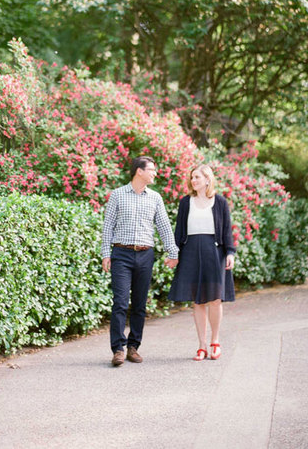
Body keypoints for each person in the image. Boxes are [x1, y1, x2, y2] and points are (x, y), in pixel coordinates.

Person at [100, 155, 179, 367]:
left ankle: (133, 347)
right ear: (139, 171)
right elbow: (108, 226)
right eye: (151, 169)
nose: (155, 173)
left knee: (139, 304)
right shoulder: (117, 195)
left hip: (145, 255)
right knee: (120, 301)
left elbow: (163, 226)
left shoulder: (155, 198)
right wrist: (105, 253)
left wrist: (173, 251)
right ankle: (118, 349)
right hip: (121, 254)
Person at [168, 163, 236, 361]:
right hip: (191, 252)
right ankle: (201, 346)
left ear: (208, 179)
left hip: (214, 253)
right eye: (192, 177)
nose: (193, 180)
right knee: (197, 301)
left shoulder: (220, 202)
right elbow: (179, 232)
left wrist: (230, 253)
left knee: (215, 299)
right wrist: (174, 253)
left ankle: (215, 342)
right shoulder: (185, 202)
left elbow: (227, 231)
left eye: (197, 177)